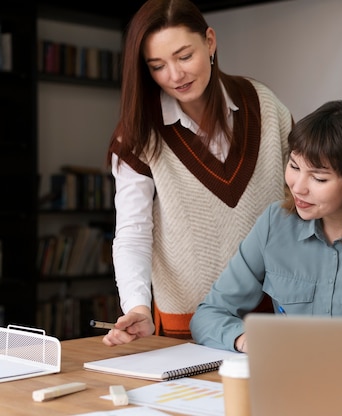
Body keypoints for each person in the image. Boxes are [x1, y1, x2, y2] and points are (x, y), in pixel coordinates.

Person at [102, 0, 293, 346]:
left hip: (272, 315)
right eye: (157, 66)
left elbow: (300, 198)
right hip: (185, 325)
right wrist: (138, 306)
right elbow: (133, 233)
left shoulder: (263, 104)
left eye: (184, 56)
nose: (175, 76)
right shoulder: (138, 134)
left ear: (210, 41)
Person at [190, 100, 342, 352]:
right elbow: (209, 316)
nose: (298, 186)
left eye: (318, 178)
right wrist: (244, 339)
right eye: (294, 166)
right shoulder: (275, 223)